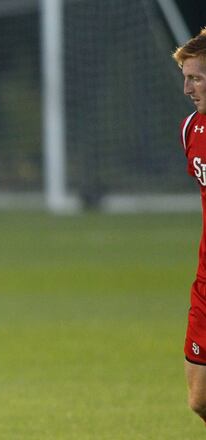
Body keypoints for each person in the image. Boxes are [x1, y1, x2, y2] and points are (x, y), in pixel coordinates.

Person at [176, 27, 206, 425]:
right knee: (200, 398)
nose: (186, 89)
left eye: (196, 77)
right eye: (185, 77)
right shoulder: (191, 130)